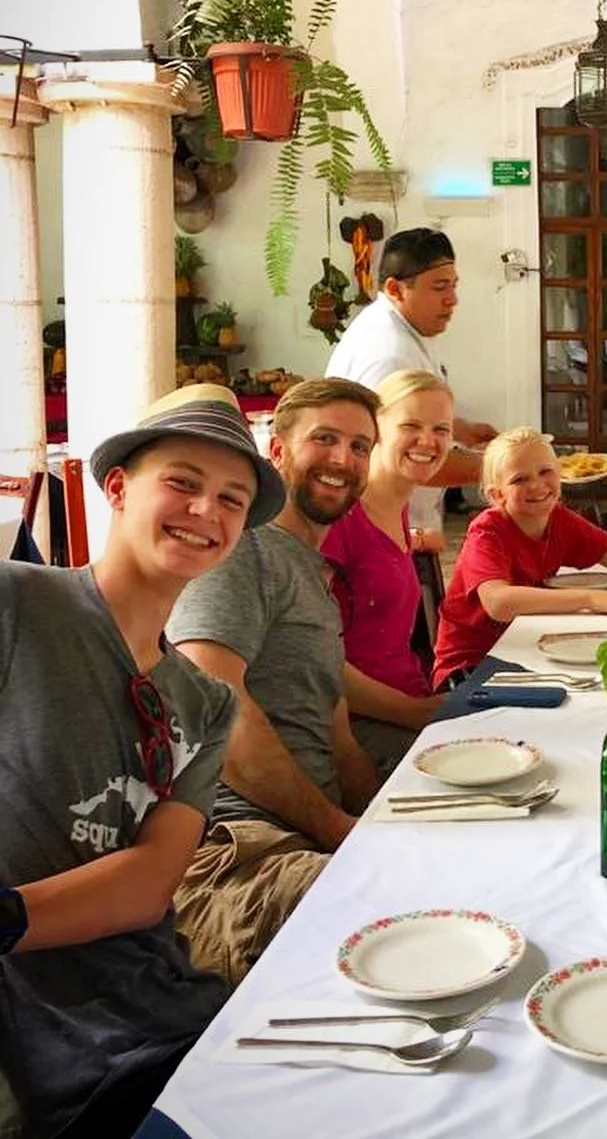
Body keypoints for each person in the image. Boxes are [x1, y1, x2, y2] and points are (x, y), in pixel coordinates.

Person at [0, 384, 284, 1139]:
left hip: (174, 1012)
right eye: (183, 483)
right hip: (69, 1055)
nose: (205, 513)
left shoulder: (205, 702)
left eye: (231, 499)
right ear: (119, 487)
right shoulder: (18, 606)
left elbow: (149, 882)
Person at [166, 378, 385, 986]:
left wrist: (380, 818)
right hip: (239, 848)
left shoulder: (308, 567)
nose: (344, 459)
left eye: (361, 446)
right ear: (278, 450)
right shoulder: (242, 550)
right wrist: (339, 833)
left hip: (303, 835)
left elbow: (337, 735)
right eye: (325, 439)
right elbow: (220, 711)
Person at [431, 427, 607, 689]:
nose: (537, 485)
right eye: (520, 479)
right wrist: (589, 599)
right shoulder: (487, 532)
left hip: (525, 648)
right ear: (497, 495)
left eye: (546, 472)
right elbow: (499, 602)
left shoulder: (560, 520)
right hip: (471, 666)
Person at [325, 227, 498, 547]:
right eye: (439, 287)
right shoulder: (387, 352)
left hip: (405, 522)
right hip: (384, 527)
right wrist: (502, 464)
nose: (453, 299)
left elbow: (406, 414)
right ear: (395, 288)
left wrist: (460, 429)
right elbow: (408, 453)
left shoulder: (403, 326)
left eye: (454, 285)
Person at [321, 370, 453, 776]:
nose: (428, 441)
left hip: (414, 698)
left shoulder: (395, 508)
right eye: (410, 426)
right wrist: (416, 713)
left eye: (441, 429)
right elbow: (316, 662)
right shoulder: (337, 519)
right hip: (365, 725)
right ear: (375, 431)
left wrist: (415, 538)